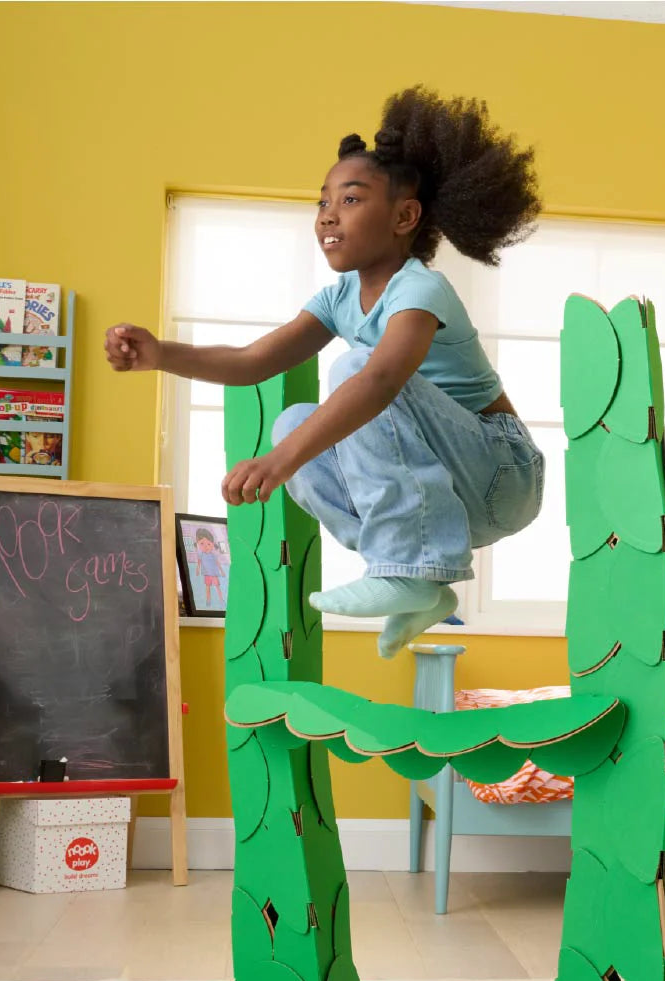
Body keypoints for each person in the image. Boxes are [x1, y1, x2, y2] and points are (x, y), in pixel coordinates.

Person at [104, 86, 545, 657]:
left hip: (502, 473)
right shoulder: (340, 297)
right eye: (322, 202)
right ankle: (422, 584)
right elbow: (253, 361)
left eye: (351, 199)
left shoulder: (421, 288)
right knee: (292, 422)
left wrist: (278, 463)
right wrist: (161, 353)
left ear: (405, 216)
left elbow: (380, 382)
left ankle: (407, 568)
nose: (328, 215)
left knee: (355, 371)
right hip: (453, 496)